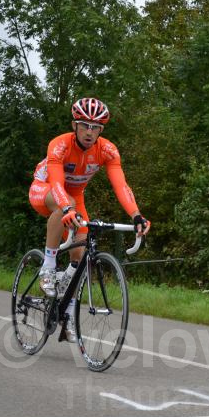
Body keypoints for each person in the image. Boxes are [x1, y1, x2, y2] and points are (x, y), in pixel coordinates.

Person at [29, 97, 150, 342]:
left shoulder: (107, 150)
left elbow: (121, 185)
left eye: (95, 127)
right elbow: (56, 181)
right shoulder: (59, 145)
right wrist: (65, 207)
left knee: (80, 257)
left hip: (75, 197)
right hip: (45, 190)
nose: (89, 132)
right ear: (74, 125)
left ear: (101, 130)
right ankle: (48, 267)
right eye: (84, 125)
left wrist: (136, 215)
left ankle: (67, 314)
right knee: (67, 204)